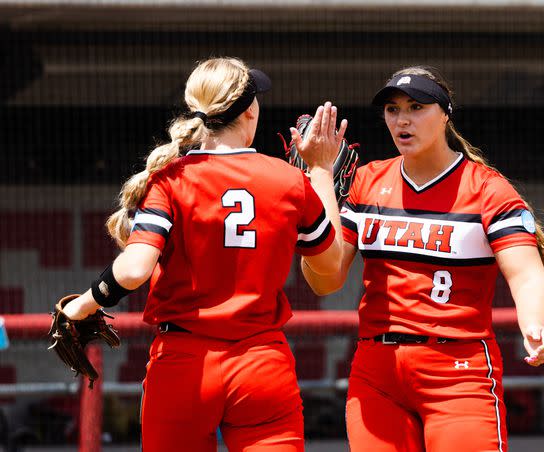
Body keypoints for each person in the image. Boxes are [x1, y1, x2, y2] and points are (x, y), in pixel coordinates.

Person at [58, 57, 348, 451]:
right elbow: (330, 267)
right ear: (249, 111)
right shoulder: (288, 179)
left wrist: (84, 305)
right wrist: (321, 173)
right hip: (262, 361)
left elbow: (134, 269)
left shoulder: (170, 179)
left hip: (185, 363)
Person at [301, 66, 544, 452]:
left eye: (416, 106)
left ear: (445, 114)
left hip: (458, 371)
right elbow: (326, 279)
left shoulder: (487, 188)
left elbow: (526, 274)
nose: (402, 119)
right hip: (377, 372)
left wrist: (536, 324)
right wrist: (320, 176)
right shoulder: (368, 181)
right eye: (392, 109)